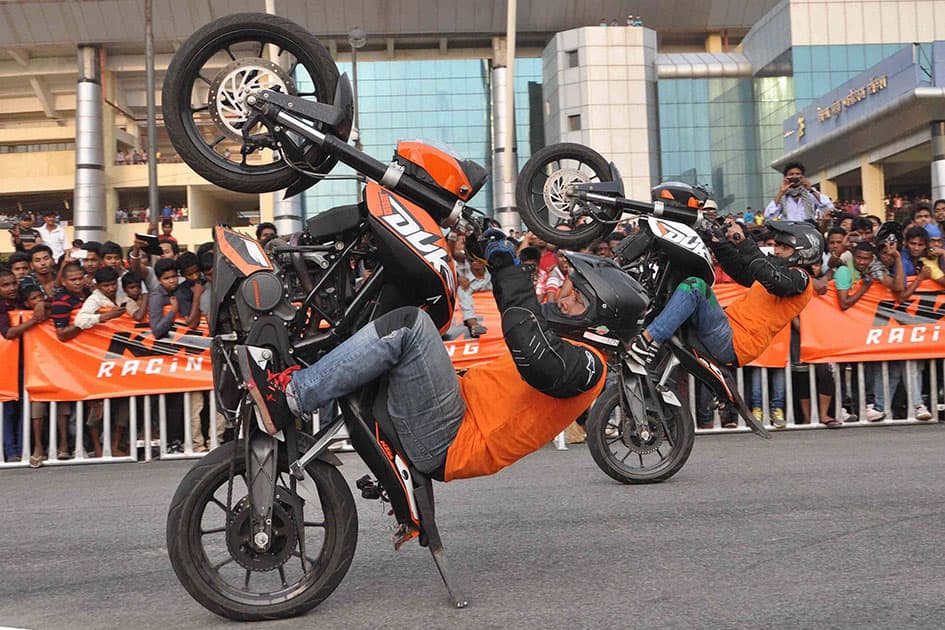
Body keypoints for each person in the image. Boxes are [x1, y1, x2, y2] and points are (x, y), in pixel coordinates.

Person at [235, 232, 607, 481]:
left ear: (601, 320)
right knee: (406, 304)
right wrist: (493, 255)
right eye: (569, 292)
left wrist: (509, 269)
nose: (561, 299)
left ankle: (293, 396)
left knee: (411, 326)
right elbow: (527, 325)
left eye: (575, 301)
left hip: (451, 438)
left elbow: (531, 346)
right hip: (448, 418)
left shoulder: (589, 365)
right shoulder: (566, 344)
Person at [625, 220, 823, 408]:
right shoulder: (776, 274)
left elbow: (773, 279)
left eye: (783, 247)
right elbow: (742, 271)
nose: (776, 250)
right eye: (777, 244)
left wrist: (745, 243)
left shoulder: (800, 279)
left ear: (803, 252)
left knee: (695, 287)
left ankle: (645, 341)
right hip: (728, 330)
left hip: (734, 340)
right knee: (677, 287)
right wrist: (718, 242)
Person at [764, 162, 834, 222]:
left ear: (803, 177)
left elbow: (829, 208)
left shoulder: (810, 193)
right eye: (791, 174)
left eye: (797, 174)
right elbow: (768, 216)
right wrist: (781, 192)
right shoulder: (783, 197)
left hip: (809, 230)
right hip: (789, 233)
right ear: (786, 177)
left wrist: (811, 190)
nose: (795, 177)